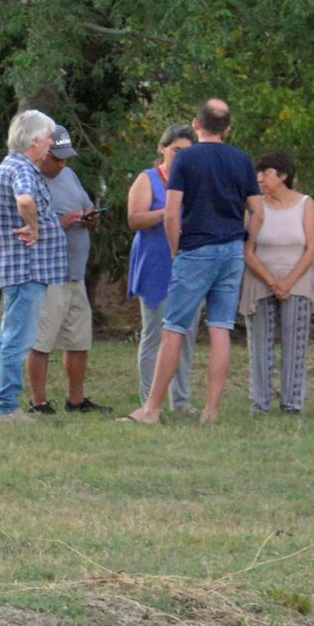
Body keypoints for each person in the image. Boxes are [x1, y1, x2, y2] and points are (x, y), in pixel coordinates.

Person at [120, 99, 261, 426]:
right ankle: (211, 410)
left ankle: (151, 410)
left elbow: (171, 213)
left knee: (173, 329)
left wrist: (174, 250)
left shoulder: (187, 158)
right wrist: (245, 244)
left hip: (196, 249)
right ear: (227, 129)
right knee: (221, 329)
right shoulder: (242, 160)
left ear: (196, 126)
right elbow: (259, 211)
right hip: (231, 251)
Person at [0, 109, 68, 422]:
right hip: (27, 268)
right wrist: (33, 227)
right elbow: (24, 200)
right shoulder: (21, 168)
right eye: (48, 137)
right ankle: (6, 407)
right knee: (18, 338)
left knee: (13, 336)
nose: (51, 143)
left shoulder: (16, 166)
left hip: (26, 269)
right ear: (34, 140)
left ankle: (2, 404)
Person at [26, 125, 111, 415]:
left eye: (65, 158)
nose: (61, 164)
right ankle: (38, 402)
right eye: (57, 158)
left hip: (76, 274)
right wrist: (62, 223)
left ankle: (76, 400)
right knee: (42, 342)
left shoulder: (69, 176)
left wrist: (88, 218)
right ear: (42, 149)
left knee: (79, 340)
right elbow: (26, 225)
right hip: (49, 275)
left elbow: (85, 205)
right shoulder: (30, 179)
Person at [239, 152, 314, 415]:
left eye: (266, 173)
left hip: (297, 278)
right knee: (260, 343)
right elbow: (247, 250)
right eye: (258, 174)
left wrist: (288, 282)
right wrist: (272, 282)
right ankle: (259, 403)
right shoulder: (254, 205)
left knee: (295, 342)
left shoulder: (305, 204)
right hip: (261, 278)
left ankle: (292, 403)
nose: (260, 179)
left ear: (283, 176)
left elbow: (310, 248)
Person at [127, 124, 198, 411]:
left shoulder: (195, 181)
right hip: (155, 261)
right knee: (155, 332)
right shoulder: (148, 179)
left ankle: (180, 401)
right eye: (176, 150)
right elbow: (135, 219)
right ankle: (148, 400)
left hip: (189, 264)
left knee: (187, 333)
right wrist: (166, 213)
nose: (180, 157)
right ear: (162, 148)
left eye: (187, 153)